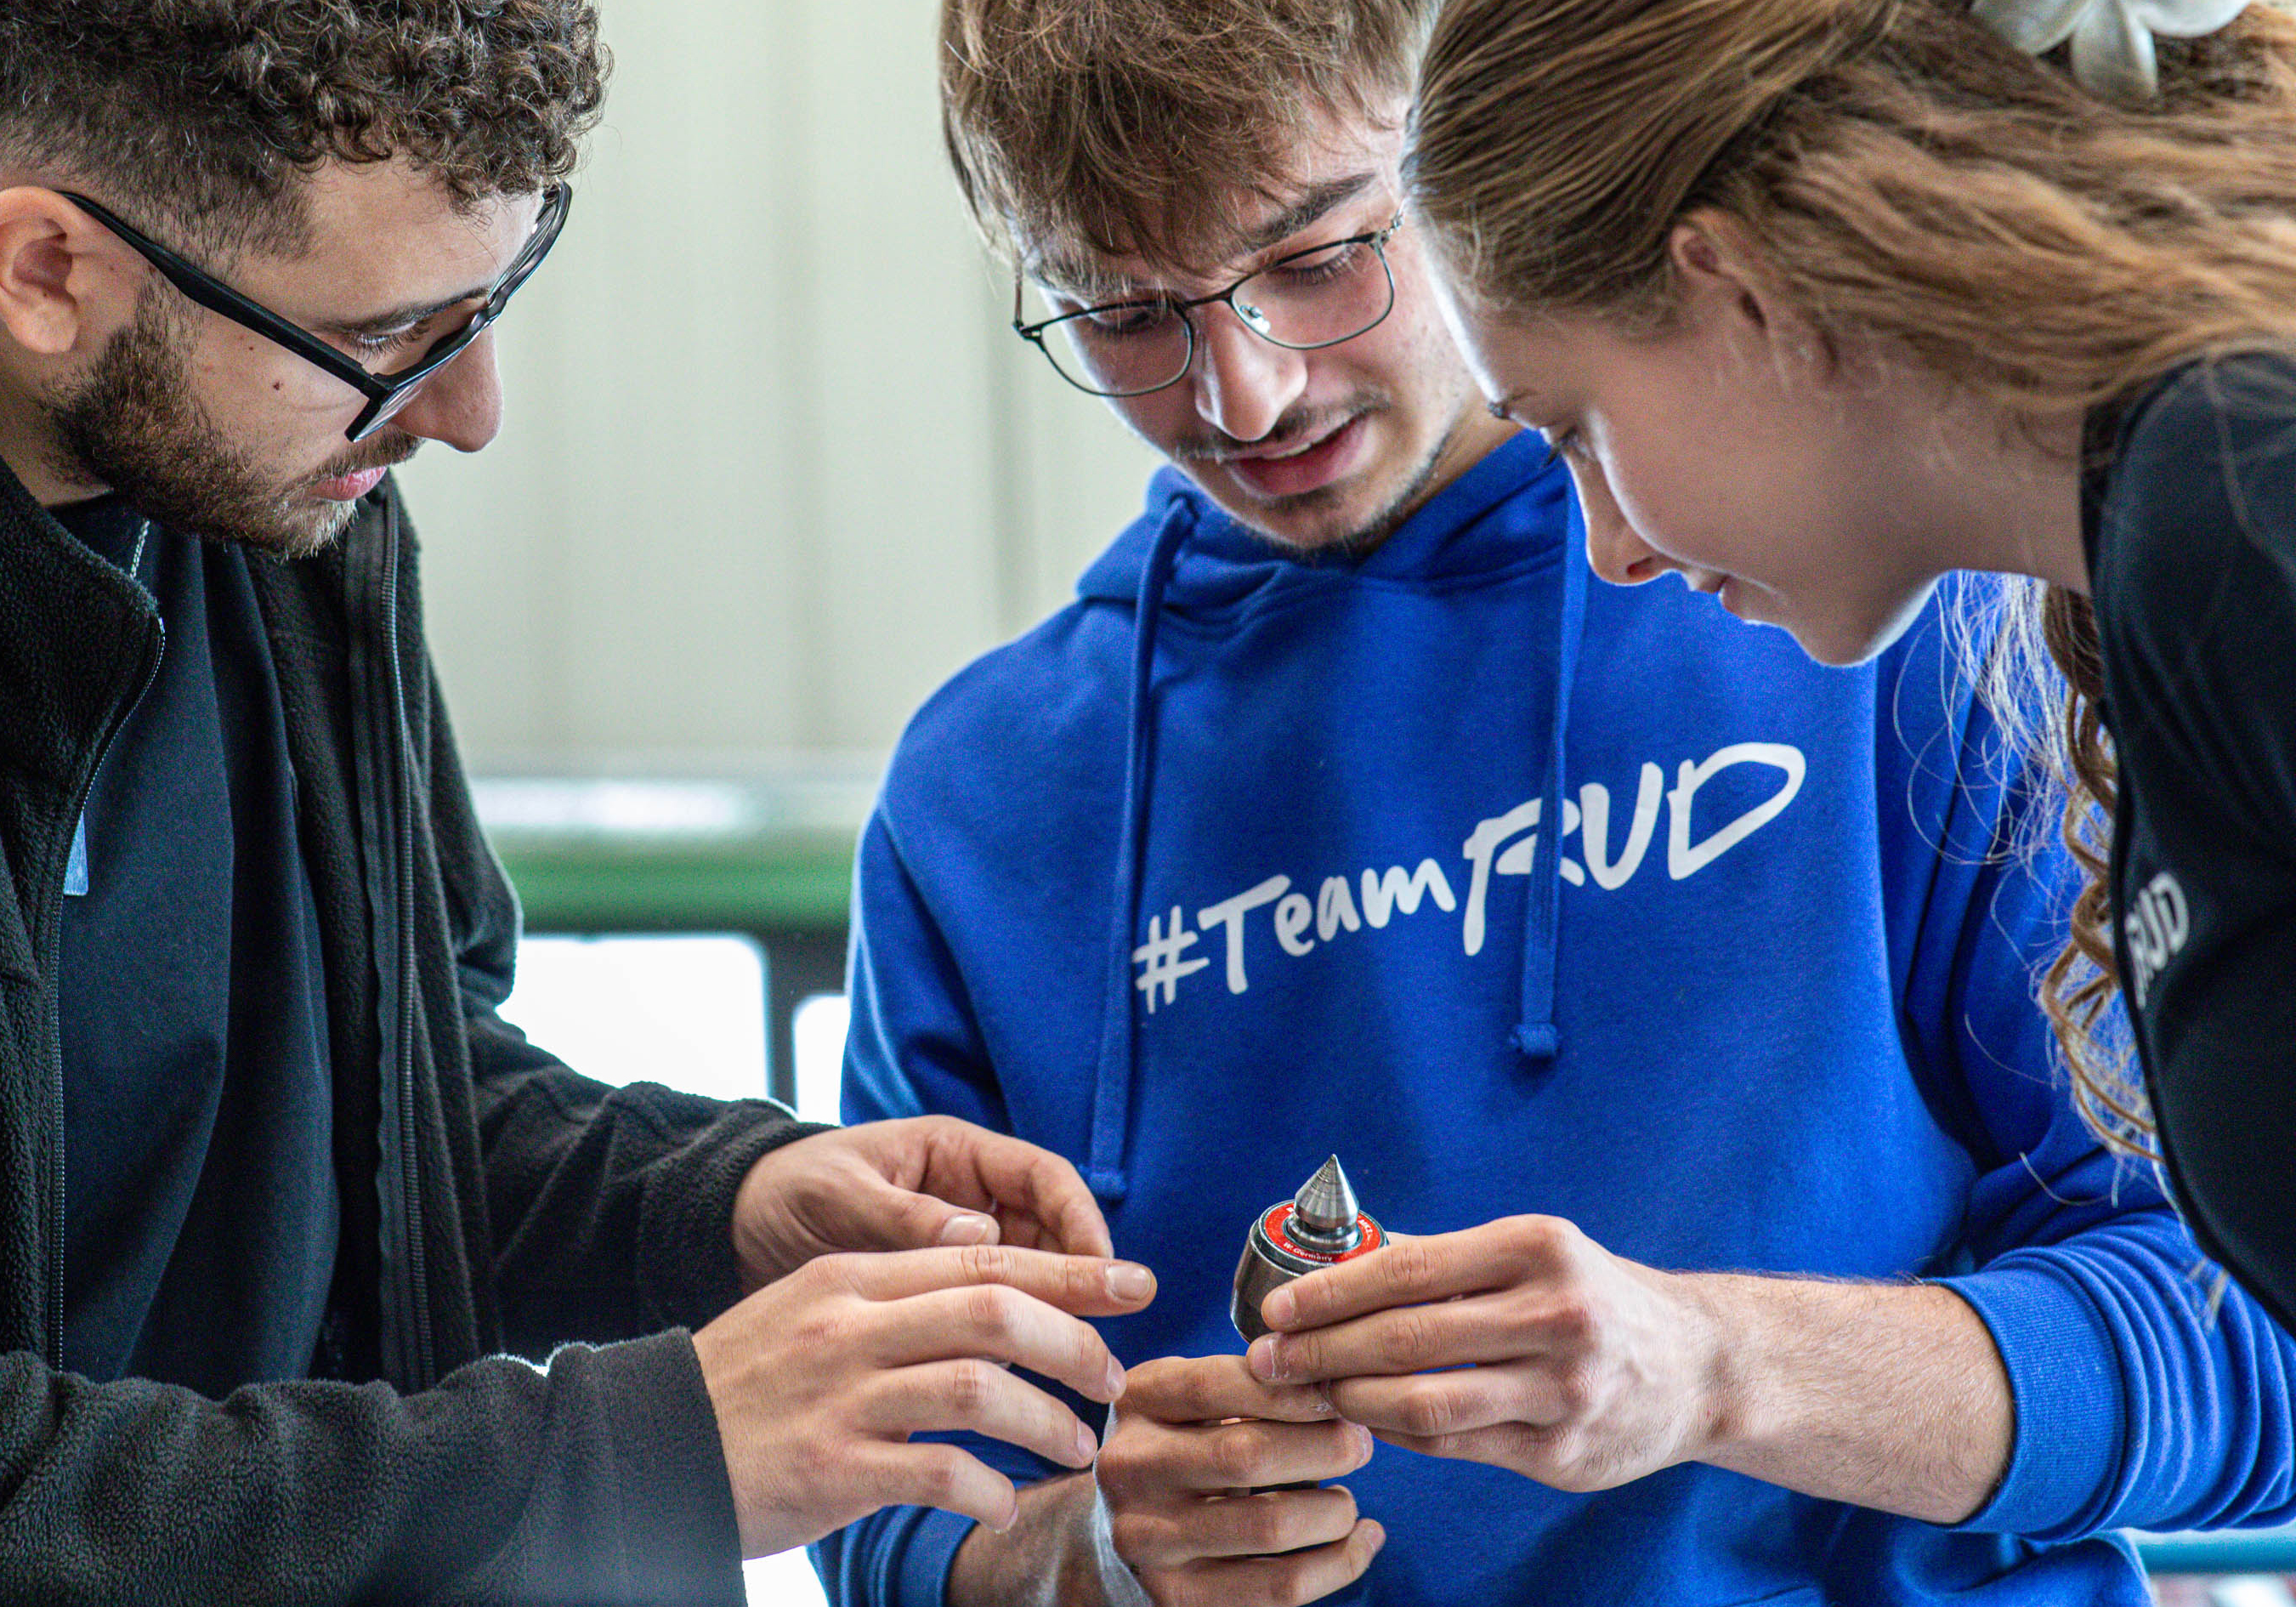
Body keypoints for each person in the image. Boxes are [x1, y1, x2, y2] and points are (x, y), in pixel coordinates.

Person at [0, 4, 1161, 1602]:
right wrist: (639, 1456)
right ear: (46, 269)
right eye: (387, 337)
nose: (468, 413)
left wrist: (704, 1206)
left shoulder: (257, 464)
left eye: (488, 302)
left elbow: (382, 1091)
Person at [815, 1, 2296, 1604]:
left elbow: (2251, 1337)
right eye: (1123, 315)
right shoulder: (979, 803)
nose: (1244, 395)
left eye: (1319, 258)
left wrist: (1724, 1367)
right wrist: (1088, 1554)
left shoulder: (1894, 587)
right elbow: (878, 1498)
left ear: (1460, 150)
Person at [1403, 0, 2296, 1349]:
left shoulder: (2232, 501)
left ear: (1738, 290)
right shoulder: (2165, 542)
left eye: (1575, 428)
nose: (1611, 549)